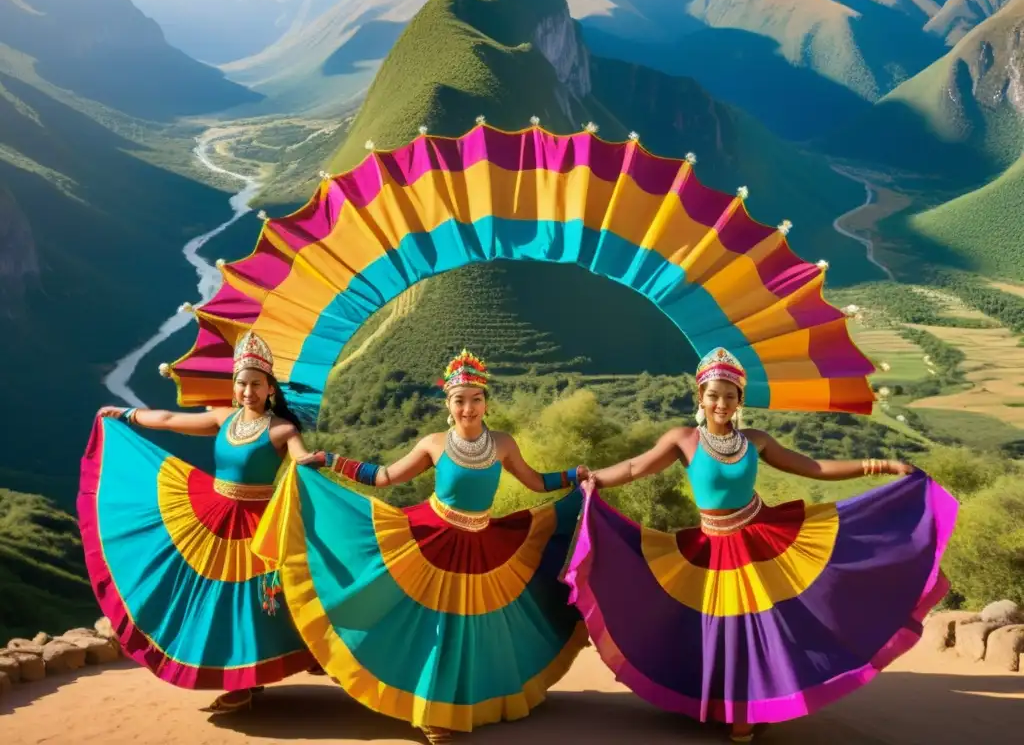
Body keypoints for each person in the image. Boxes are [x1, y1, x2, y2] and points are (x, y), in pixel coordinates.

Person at [561, 347, 957, 743]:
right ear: (700, 397)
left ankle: (747, 714)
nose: (721, 403)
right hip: (711, 549)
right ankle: (726, 706)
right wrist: (593, 479)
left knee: (759, 629)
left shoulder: (756, 441)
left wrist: (880, 465)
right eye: (713, 395)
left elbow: (813, 467)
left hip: (762, 539)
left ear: (739, 401)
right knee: (720, 632)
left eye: (729, 396)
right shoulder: (683, 440)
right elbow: (633, 468)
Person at [252, 349, 591, 744]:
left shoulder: (502, 444)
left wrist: (574, 476)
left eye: (476, 399)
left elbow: (535, 483)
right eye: (460, 400)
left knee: (477, 629)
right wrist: (332, 460)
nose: (468, 408)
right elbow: (384, 477)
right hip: (432, 540)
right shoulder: (434, 444)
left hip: (484, 545)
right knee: (437, 628)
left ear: (486, 402)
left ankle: (470, 702)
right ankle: (434, 714)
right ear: (448, 404)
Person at [79, 330, 323, 713]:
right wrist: (126, 414)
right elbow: (171, 419)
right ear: (235, 386)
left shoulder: (283, 429)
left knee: (253, 604)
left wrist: (315, 461)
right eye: (242, 384)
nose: (247, 392)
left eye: (256, 385)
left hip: (256, 525)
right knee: (219, 600)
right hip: (212, 513)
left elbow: (302, 460)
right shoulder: (224, 418)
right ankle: (241, 679)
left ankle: (255, 676)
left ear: (269, 388)